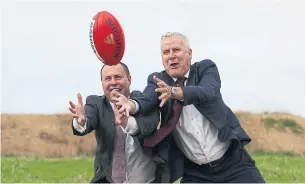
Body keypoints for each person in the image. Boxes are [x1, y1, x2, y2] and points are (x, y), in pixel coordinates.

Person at [111, 32, 266, 183]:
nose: (171, 55)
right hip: (196, 173)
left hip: (233, 163)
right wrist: (130, 105)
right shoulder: (157, 80)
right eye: (166, 52)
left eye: (176, 50)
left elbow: (208, 91)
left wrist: (174, 92)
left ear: (189, 53)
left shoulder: (205, 69)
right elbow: (147, 99)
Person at [68, 62, 160, 183]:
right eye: (107, 79)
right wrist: (81, 121)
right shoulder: (96, 103)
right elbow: (88, 120)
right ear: (102, 83)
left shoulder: (142, 102)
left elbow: (148, 127)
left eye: (118, 77)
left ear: (129, 79)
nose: (113, 82)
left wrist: (126, 122)